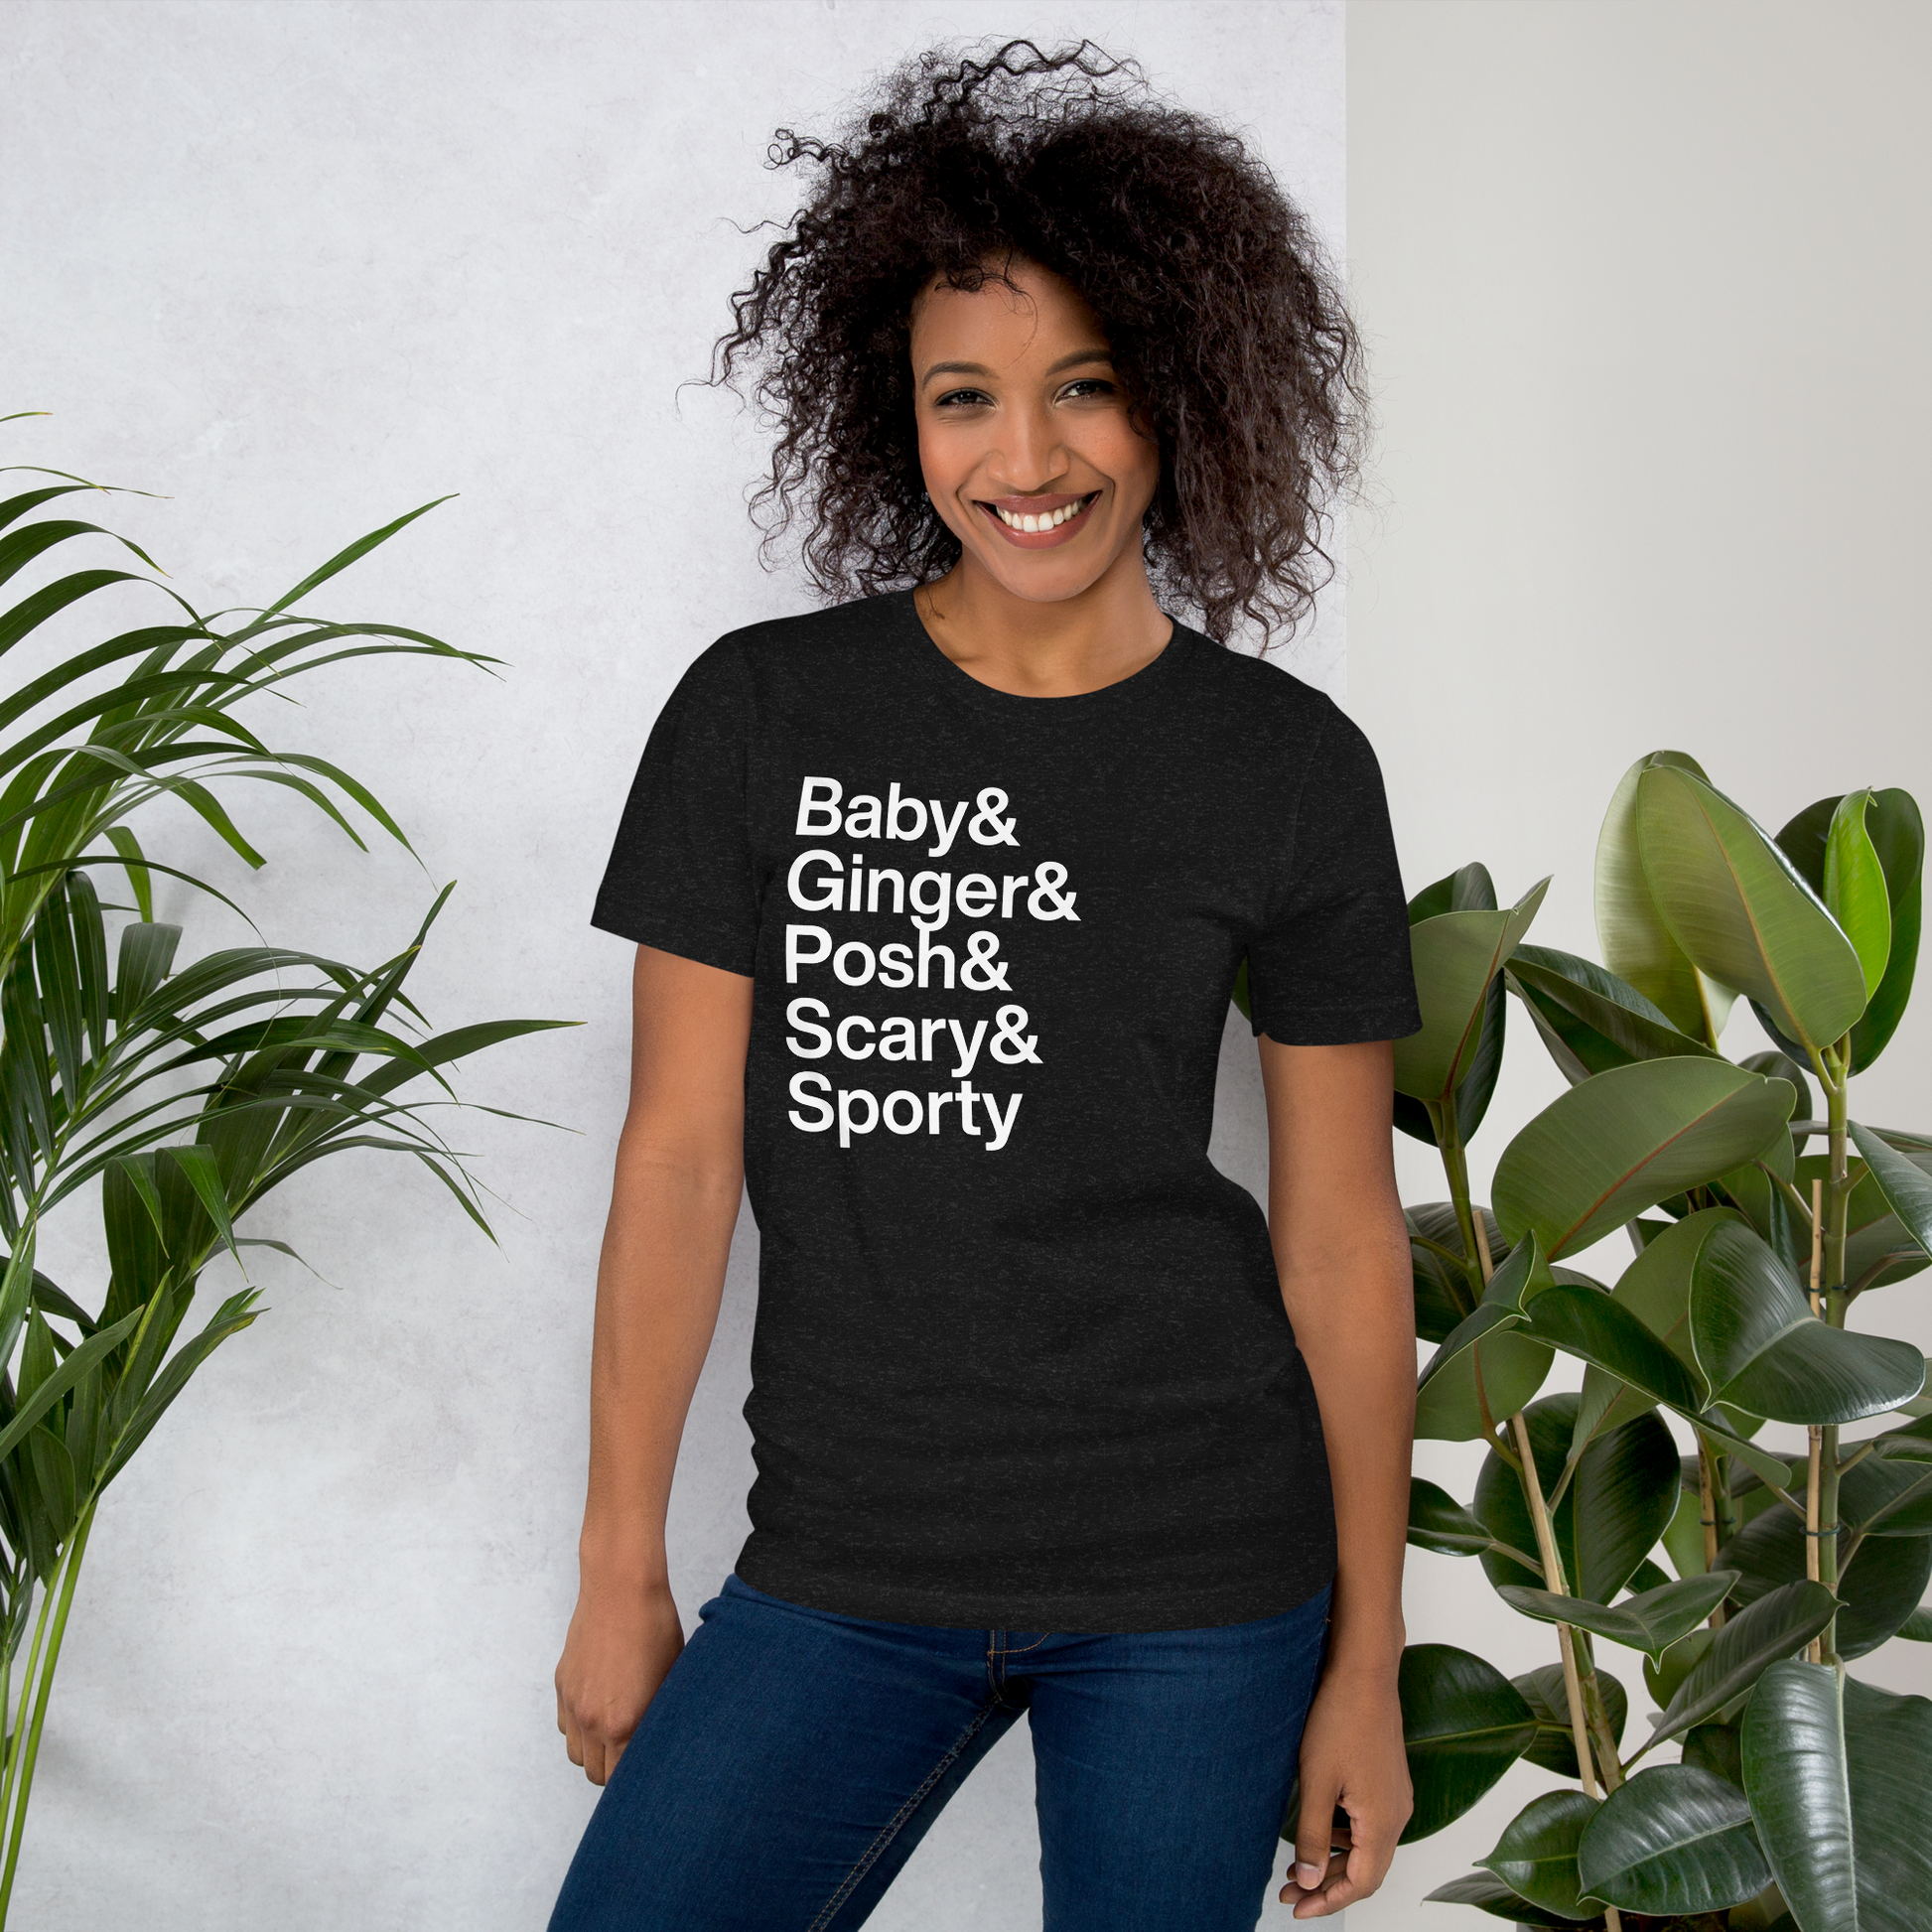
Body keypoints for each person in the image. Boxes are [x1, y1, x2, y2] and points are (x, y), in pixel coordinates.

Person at [550, 40, 1421, 1932]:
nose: (1023, 461)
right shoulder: (764, 714)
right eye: (966, 399)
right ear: (901, 415)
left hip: (1202, 1576)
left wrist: (1366, 1656)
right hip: (851, 1560)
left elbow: (1343, 1237)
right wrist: (624, 1558)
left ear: (1182, 398)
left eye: (1084, 389)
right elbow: (681, 1160)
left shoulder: (1284, 763)